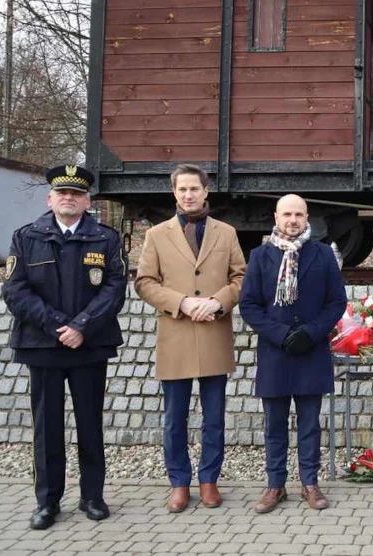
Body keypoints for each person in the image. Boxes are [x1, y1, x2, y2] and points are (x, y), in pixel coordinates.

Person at [3, 165, 127, 530]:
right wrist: (57, 324)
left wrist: (80, 327)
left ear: (88, 200)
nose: (69, 198)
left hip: (88, 346)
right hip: (44, 345)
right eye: (62, 193)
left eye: (76, 193)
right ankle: (48, 502)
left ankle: (93, 496)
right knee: (47, 428)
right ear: (50, 199)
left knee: (90, 424)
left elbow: (114, 289)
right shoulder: (26, 237)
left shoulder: (105, 238)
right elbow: (15, 289)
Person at [134, 164, 246, 513]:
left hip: (214, 331)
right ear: (174, 193)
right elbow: (144, 282)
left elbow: (241, 276)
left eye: (194, 189)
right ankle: (179, 483)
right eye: (182, 190)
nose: (188, 195)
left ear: (205, 191)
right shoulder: (156, 235)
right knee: (174, 418)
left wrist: (217, 301)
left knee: (214, 416)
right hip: (177, 333)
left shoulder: (226, 233)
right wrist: (181, 302)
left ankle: (209, 480)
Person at [239, 194, 348, 513]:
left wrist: (312, 332)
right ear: (276, 217)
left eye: (299, 214)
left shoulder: (323, 255)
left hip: (311, 350)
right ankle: (275, 485)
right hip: (276, 351)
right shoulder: (260, 256)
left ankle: (309, 483)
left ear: (307, 217)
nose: (293, 220)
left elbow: (336, 302)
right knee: (274, 424)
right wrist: (282, 334)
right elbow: (249, 305)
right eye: (287, 214)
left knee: (310, 423)